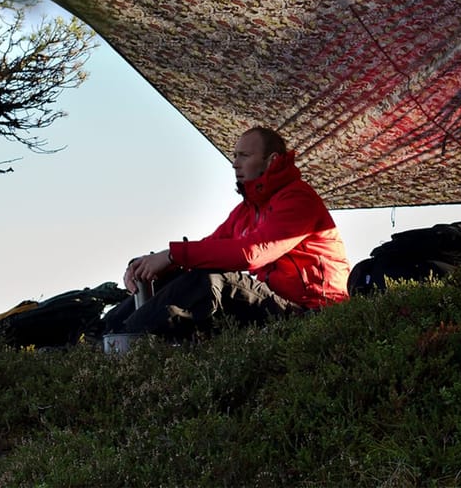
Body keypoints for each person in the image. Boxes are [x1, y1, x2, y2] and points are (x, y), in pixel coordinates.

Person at [103, 126, 350, 340]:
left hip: (312, 310)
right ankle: (107, 332)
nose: (234, 163)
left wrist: (172, 255)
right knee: (177, 274)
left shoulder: (297, 198)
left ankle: (129, 337)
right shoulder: (246, 211)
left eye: (244, 155)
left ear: (272, 160)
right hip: (277, 303)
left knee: (209, 279)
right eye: (234, 156)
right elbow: (209, 248)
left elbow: (251, 253)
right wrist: (148, 266)